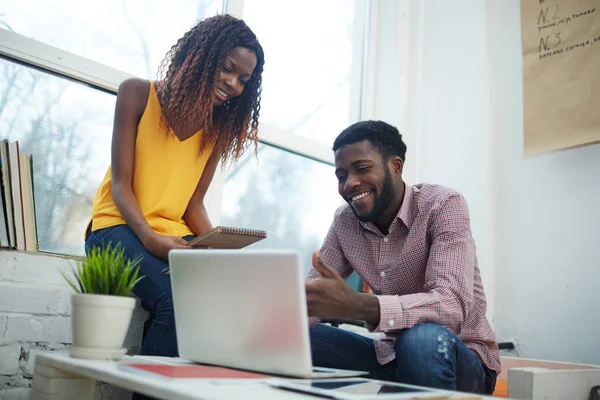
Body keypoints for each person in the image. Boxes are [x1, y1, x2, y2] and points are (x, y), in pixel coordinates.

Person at [84, 14, 264, 358]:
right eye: (226, 68)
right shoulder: (137, 94)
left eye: (243, 79)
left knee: (227, 303)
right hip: (116, 227)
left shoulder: (217, 132)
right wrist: (150, 239)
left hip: (174, 235)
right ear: (201, 56)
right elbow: (121, 185)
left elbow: (192, 205)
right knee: (178, 301)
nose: (233, 84)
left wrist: (216, 248)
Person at [305, 120, 500, 395]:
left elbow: (451, 306)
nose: (349, 184)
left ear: (396, 167)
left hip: (460, 357)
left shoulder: (443, 205)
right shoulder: (344, 222)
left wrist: (360, 305)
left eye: (362, 169)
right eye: (341, 175)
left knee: (420, 341)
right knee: (295, 338)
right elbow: (308, 302)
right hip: (391, 354)